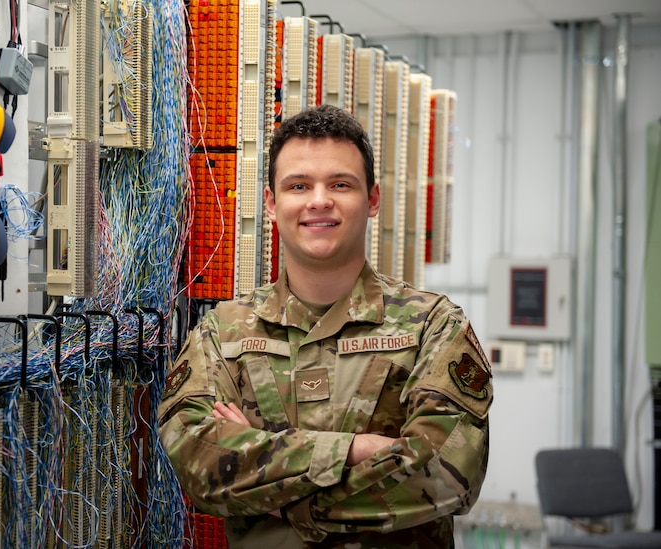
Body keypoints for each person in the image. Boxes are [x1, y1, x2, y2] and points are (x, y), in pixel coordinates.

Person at [158, 104, 492, 548]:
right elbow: (197, 462)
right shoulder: (225, 331)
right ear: (273, 204)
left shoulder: (432, 325)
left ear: (372, 200)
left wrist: (281, 497)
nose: (319, 200)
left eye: (340, 184)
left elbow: (446, 472)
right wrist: (353, 450)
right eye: (299, 185)